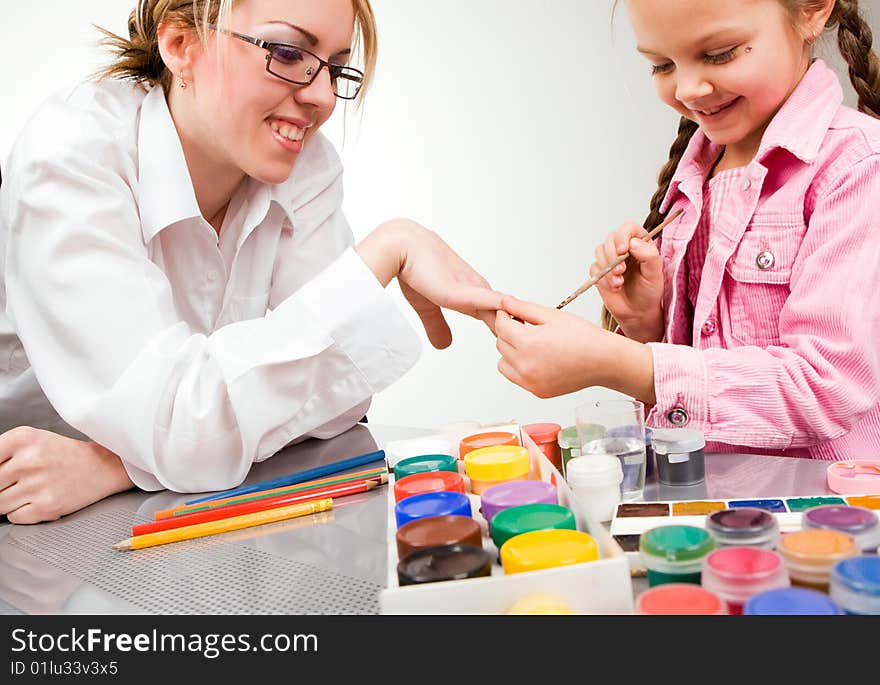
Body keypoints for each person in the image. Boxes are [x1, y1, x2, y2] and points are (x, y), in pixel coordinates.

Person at [0, 0, 501, 524]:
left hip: (142, 504)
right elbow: (209, 415)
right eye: (287, 52)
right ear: (179, 45)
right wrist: (386, 250)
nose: (322, 96)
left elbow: (336, 406)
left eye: (335, 67)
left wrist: (113, 464)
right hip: (32, 521)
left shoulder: (304, 167)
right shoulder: (71, 157)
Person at [495, 0, 880, 461]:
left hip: (819, 518)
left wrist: (620, 364)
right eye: (662, 64)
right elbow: (707, 372)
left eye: (720, 54)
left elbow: (827, 385)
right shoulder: (695, 179)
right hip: (711, 507)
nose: (689, 88)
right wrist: (646, 323)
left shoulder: (858, 167)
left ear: (813, 10)